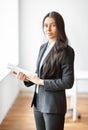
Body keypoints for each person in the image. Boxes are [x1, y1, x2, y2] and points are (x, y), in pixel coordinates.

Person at [15, 11, 75, 130]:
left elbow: (68, 82)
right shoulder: (43, 47)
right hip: (38, 103)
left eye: (53, 25)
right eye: (45, 25)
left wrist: (41, 82)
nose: (48, 29)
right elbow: (39, 74)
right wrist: (26, 78)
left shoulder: (66, 51)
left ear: (60, 26)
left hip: (53, 105)